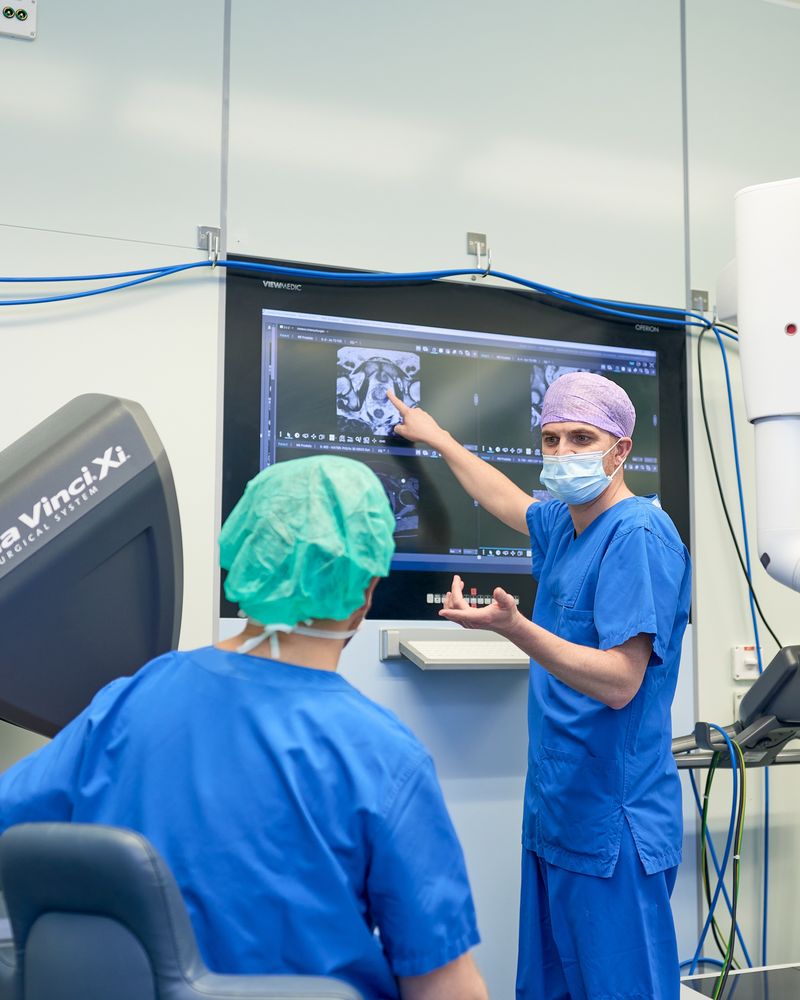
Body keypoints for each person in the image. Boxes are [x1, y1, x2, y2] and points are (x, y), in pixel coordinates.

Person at [0, 455, 488, 1000]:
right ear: (367, 590)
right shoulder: (383, 757)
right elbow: (443, 987)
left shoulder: (131, 700)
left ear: (249, 559)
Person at [387, 372, 691, 1000]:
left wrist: (515, 628)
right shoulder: (564, 523)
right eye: (551, 439)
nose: (562, 452)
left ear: (621, 449)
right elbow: (505, 499)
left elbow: (621, 682)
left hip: (614, 824)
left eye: (581, 438)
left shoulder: (637, 533)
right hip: (558, 810)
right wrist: (438, 437)